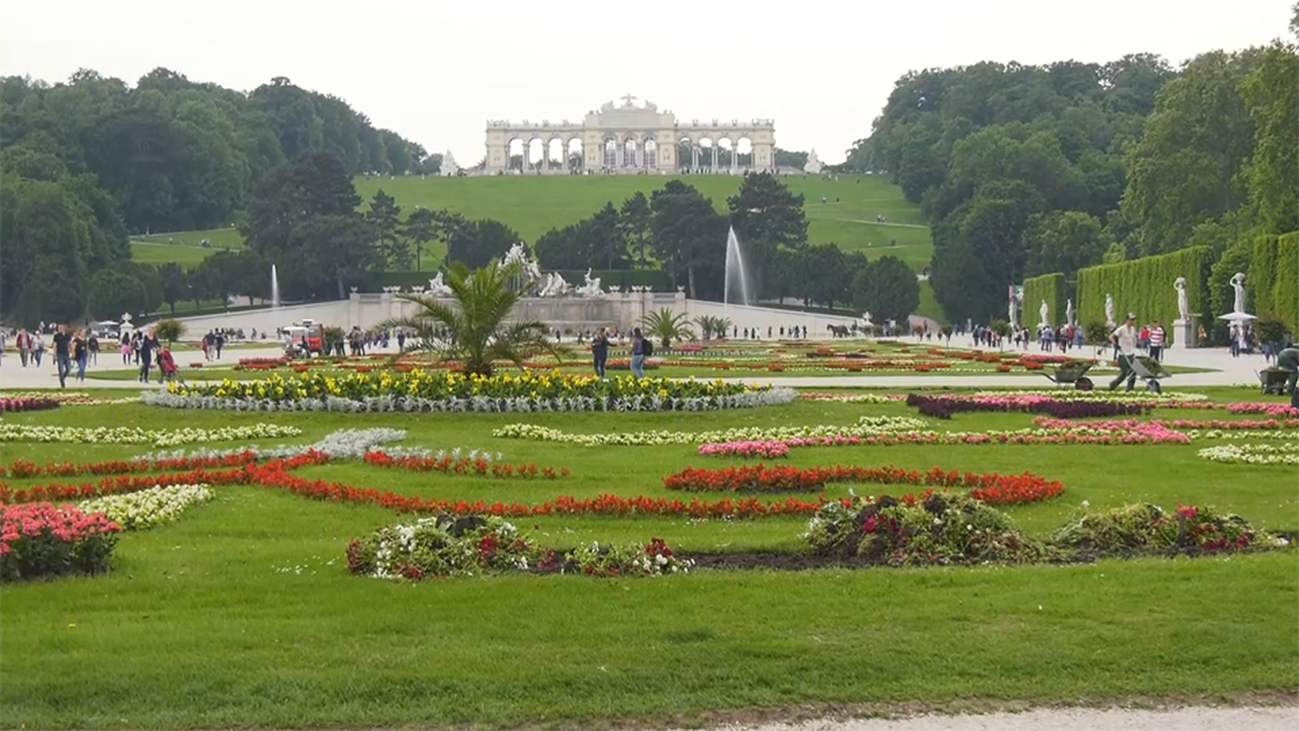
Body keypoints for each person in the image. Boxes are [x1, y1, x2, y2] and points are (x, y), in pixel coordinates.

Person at [1108, 313, 1139, 391]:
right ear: (1127, 320)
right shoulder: (1121, 329)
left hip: (1131, 353)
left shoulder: (1133, 329)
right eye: (1130, 320)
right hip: (1123, 354)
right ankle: (1129, 389)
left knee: (1129, 372)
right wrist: (1115, 344)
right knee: (1129, 372)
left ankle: (1114, 384)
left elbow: (1134, 339)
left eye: (1133, 320)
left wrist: (1137, 343)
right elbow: (1111, 336)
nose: (1132, 322)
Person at [52, 324, 72, 389]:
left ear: (63, 328)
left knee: (68, 368)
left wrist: (72, 352)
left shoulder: (67, 336)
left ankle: (62, 377)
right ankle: (62, 382)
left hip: (66, 354)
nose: (59, 329)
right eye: (58, 328)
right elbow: (55, 345)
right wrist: (54, 355)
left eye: (61, 328)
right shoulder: (56, 336)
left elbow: (70, 344)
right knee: (60, 369)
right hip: (60, 354)